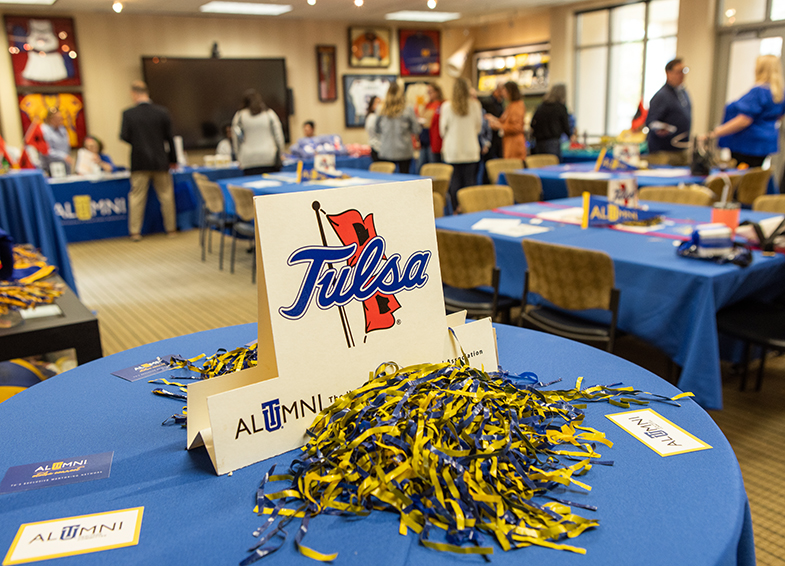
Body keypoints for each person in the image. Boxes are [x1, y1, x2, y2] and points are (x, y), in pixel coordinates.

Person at [120, 80, 178, 242]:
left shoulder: (128, 114)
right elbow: (170, 138)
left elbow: (124, 136)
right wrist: (173, 159)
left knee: (137, 197)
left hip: (139, 162)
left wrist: (139, 142)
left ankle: (135, 232)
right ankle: (171, 229)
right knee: (166, 195)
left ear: (134, 93)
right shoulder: (162, 112)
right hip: (160, 161)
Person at [710, 55, 785, 169]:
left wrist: (716, 132)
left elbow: (744, 120)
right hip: (765, 144)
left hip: (747, 144)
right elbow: (779, 116)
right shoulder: (779, 93)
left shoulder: (758, 91)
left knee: (742, 180)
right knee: (754, 177)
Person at [440, 78, 483, 211]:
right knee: (470, 183)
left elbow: (442, 130)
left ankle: (455, 210)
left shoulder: (447, 107)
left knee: (454, 183)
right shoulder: (475, 105)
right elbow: (478, 128)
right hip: (470, 150)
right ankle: (469, 209)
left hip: (453, 151)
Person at [645, 58, 691, 159]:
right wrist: (662, 128)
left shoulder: (683, 93)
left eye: (684, 71)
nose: (682, 75)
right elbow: (651, 122)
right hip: (664, 151)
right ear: (668, 73)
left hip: (680, 149)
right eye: (679, 72)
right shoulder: (661, 96)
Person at [231, 89, 285, 176]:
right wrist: (280, 153)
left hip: (248, 159)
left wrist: (239, 157)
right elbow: (279, 136)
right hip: (269, 157)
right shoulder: (269, 114)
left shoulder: (239, 116)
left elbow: (236, 139)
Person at [374, 82, 421, 174]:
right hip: (404, 151)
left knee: (387, 181)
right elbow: (416, 129)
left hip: (386, 150)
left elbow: (376, 129)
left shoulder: (381, 109)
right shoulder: (408, 109)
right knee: (404, 179)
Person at [530, 83, 572, 160]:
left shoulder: (541, 106)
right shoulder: (560, 107)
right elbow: (566, 126)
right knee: (553, 166)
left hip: (539, 143)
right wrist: (571, 136)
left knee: (539, 166)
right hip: (553, 142)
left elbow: (532, 123)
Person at [486, 81, 526, 159]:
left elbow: (516, 127)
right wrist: (493, 119)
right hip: (508, 144)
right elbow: (504, 121)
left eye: (504, 91)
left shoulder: (517, 106)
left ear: (510, 91)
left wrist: (499, 126)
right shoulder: (510, 105)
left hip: (515, 146)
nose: (502, 94)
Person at [40, 108, 73, 175]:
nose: (61, 120)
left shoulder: (62, 129)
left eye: (61, 118)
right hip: (50, 168)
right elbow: (46, 151)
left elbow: (66, 147)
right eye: (58, 118)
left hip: (65, 167)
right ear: (50, 119)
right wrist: (63, 156)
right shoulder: (44, 130)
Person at [423, 83, 444, 164]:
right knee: (421, 166)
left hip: (436, 139)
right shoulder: (427, 105)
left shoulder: (442, 105)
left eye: (430, 92)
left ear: (437, 92)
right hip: (425, 139)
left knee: (434, 164)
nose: (429, 94)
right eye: (428, 92)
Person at [364, 95, 382, 161]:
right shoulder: (372, 117)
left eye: (381, 103)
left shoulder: (380, 117)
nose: (380, 105)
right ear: (372, 106)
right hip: (376, 148)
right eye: (377, 103)